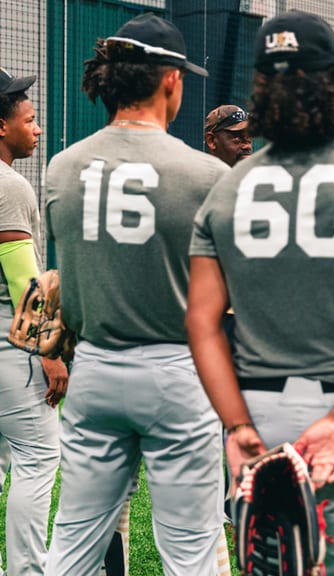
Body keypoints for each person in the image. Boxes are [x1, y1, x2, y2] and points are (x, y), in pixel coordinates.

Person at [186, 10, 334, 575]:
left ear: (261, 91)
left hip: (255, 414)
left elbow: (200, 323)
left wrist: (237, 425)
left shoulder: (226, 191)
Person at [42, 13, 229, 575]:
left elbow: (63, 283)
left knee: (73, 547)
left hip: (94, 369)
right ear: (169, 79)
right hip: (177, 371)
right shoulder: (205, 174)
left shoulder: (61, 166)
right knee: (191, 551)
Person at [0, 66, 65, 576]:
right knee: (39, 460)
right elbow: (26, 284)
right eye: (31, 119)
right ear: (2, 127)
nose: (37, 129)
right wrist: (50, 354)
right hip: (11, 351)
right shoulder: (10, 186)